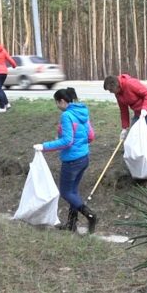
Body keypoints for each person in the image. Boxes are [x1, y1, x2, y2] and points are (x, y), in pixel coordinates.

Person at [34, 88, 98, 233]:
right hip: (84, 158)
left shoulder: (67, 115)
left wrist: (43, 146)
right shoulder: (82, 112)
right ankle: (71, 224)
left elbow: (67, 141)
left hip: (72, 160)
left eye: (57, 102)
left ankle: (90, 215)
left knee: (65, 192)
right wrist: (79, 143)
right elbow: (91, 136)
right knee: (73, 191)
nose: (57, 106)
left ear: (62, 101)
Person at [103, 74, 147, 141]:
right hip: (139, 113)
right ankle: (134, 151)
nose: (110, 92)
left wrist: (145, 109)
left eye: (111, 90)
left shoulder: (130, 83)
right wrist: (124, 128)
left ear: (116, 85)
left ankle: (144, 151)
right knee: (133, 135)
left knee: (145, 137)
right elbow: (124, 111)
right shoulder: (118, 94)